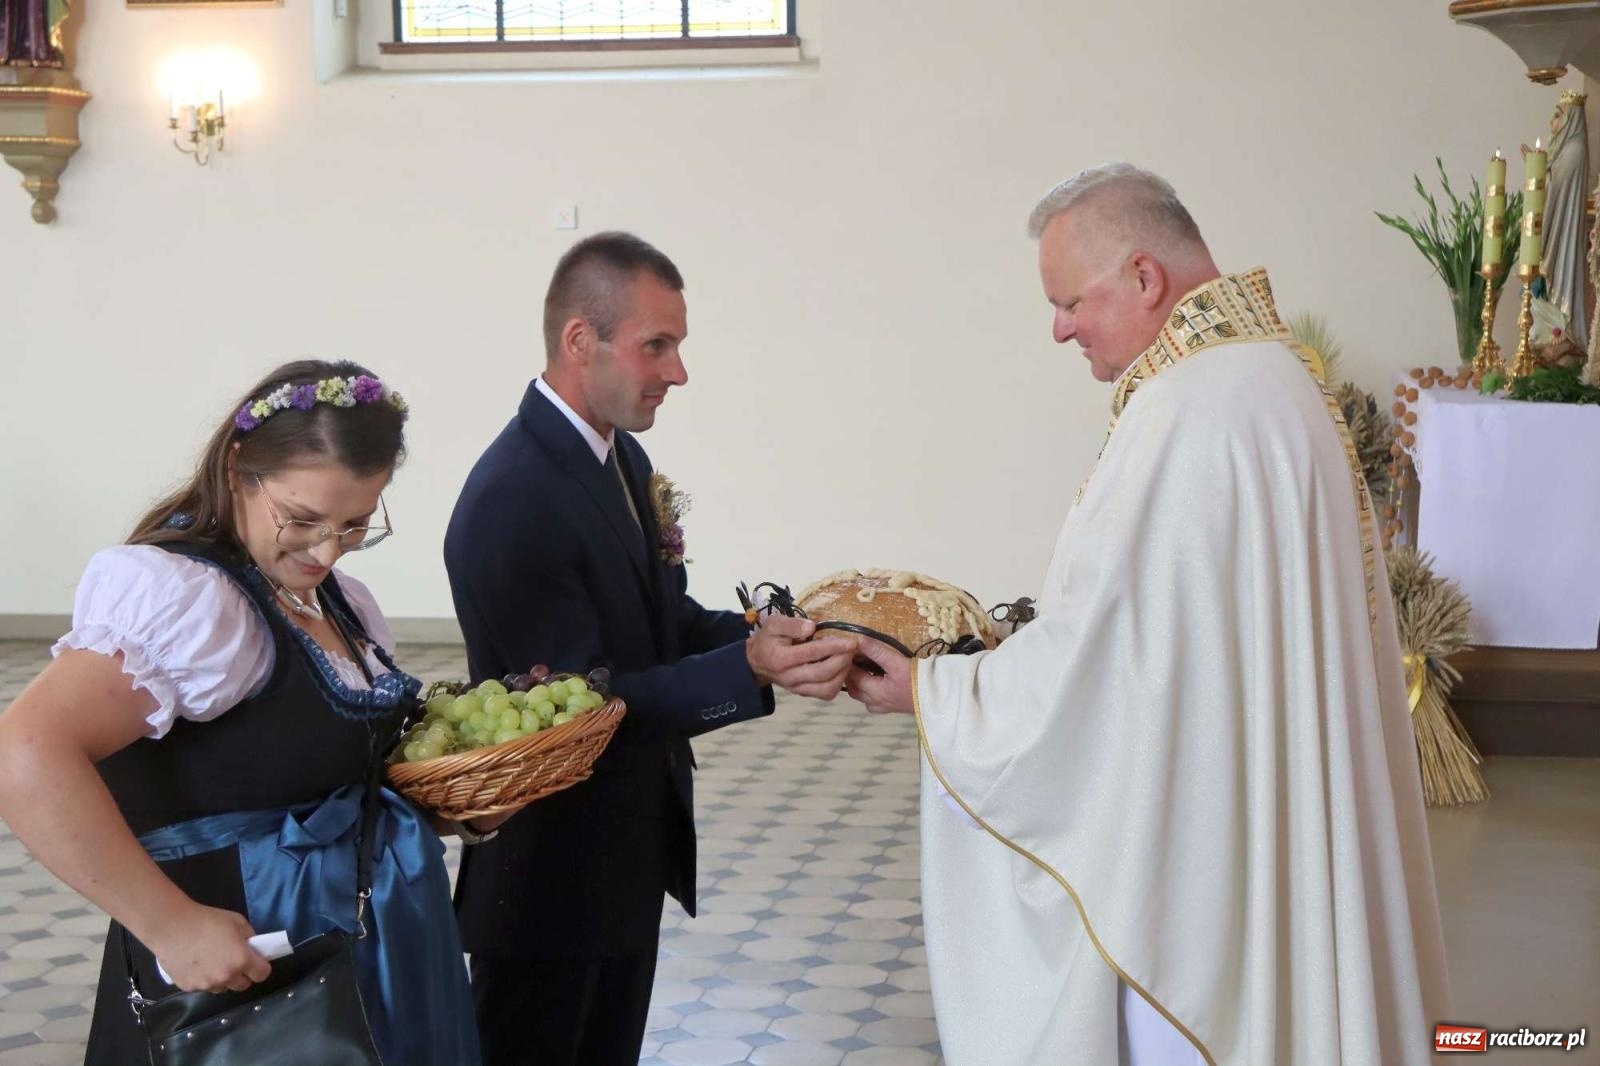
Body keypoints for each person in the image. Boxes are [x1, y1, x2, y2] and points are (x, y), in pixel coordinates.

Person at [848, 164, 1452, 1066]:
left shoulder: (1189, 412)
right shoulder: (1273, 381)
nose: (1058, 329)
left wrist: (935, 694)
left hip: (1206, 871)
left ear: (1143, 277)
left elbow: (1105, 665)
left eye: (1069, 301)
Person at [444, 231, 858, 1066]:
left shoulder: (618, 457)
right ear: (578, 341)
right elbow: (579, 711)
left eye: (677, 346)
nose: (676, 372)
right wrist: (743, 672)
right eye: (655, 346)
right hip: (550, 886)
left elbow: (659, 618)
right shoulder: (513, 499)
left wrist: (763, 634)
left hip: (621, 864)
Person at [0, 359, 484, 1066]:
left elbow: (318, 775)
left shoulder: (342, 606)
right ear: (237, 470)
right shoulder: (193, 602)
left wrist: (448, 806)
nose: (326, 550)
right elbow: (25, 751)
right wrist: (168, 924)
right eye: (303, 520)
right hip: (242, 982)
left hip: (354, 951)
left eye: (355, 526)